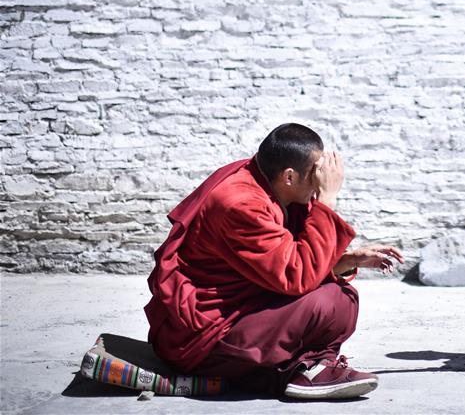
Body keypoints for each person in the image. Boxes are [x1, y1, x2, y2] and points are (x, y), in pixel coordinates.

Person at [144, 123, 404, 399]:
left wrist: (347, 260)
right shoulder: (241, 203)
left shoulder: (266, 182)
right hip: (204, 341)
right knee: (334, 302)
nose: (319, 182)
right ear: (289, 177)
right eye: (315, 174)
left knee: (339, 298)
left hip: (236, 315)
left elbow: (282, 263)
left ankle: (304, 368)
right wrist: (328, 199)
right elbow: (297, 277)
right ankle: (304, 371)